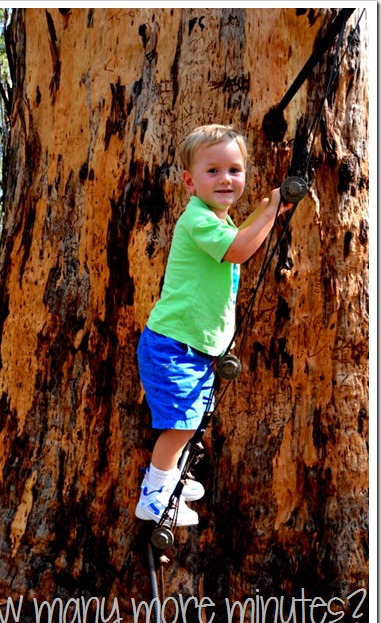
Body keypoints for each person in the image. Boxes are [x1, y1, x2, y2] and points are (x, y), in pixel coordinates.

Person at [135, 124, 290, 526]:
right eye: (213, 171)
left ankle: (169, 477)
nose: (226, 179)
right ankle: (154, 494)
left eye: (234, 170)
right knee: (180, 425)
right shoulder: (198, 220)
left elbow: (238, 235)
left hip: (194, 347)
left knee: (190, 419)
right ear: (189, 181)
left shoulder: (217, 220)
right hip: (174, 346)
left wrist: (267, 209)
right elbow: (238, 250)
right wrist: (270, 211)